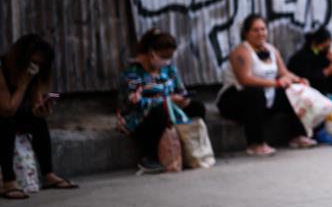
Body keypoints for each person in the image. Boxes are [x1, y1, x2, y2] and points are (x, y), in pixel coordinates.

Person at [217, 15, 317, 156]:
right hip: (235, 99)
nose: (260, 33)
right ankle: (255, 144)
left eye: (263, 29)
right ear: (246, 33)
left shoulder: (272, 50)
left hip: (266, 98)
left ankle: (298, 136)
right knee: (255, 93)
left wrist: (298, 80)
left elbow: (283, 72)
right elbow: (245, 79)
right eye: (255, 30)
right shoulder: (241, 52)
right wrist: (275, 83)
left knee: (293, 91)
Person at [118, 29, 208, 172]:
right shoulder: (133, 74)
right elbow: (133, 103)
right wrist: (166, 101)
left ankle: (194, 150)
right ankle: (149, 156)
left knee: (197, 107)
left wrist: (183, 99)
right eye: (163, 57)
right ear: (151, 53)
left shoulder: (169, 70)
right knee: (160, 113)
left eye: (169, 57)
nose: (166, 61)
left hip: (172, 110)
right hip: (141, 117)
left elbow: (180, 90)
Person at [0, 35, 78, 199]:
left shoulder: (34, 74)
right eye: (32, 62)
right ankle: (8, 181)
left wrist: (42, 109)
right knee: (7, 123)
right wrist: (22, 85)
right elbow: (7, 110)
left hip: (13, 114)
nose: (34, 67)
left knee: (38, 122)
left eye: (39, 64)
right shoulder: (3, 69)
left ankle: (48, 174)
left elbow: (36, 104)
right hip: (4, 116)